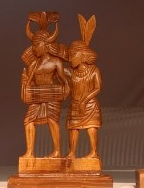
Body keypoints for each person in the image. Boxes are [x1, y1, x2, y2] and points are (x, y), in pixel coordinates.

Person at [21, 13, 69, 158]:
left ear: (46, 45)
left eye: (37, 45)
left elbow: (64, 80)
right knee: (28, 121)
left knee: (52, 121)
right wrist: (25, 84)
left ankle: (57, 151)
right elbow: (28, 83)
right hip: (37, 96)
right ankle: (30, 152)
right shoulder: (33, 64)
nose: (34, 48)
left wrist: (66, 88)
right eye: (33, 45)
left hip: (52, 95)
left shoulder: (56, 62)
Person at [66, 15, 101, 160]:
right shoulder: (71, 72)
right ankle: (72, 153)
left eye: (73, 55)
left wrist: (85, 100)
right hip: (75, 104)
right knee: (73, 127)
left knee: (91, 126)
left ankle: (93, 152)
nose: (70, 59)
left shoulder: (94, 70)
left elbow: (97, 88)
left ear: (82, 55)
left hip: (89, 104)